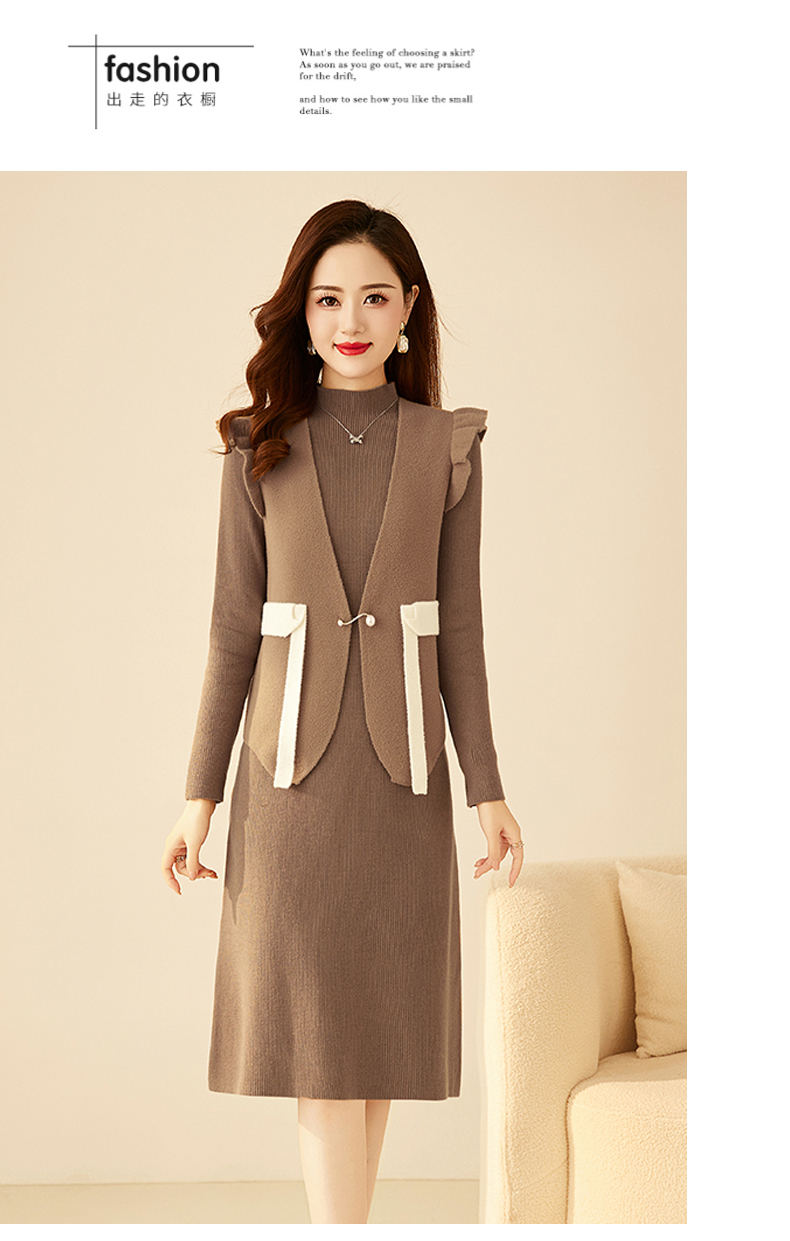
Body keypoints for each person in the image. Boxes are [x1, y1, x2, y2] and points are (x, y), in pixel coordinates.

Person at [160, 200, 524, 1225]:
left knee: (373, 1048)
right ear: (303, 314)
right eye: (327, 299)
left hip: (403, 781)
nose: (349, 319)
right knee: (319, 1049)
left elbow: (460, 627)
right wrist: (197, 799)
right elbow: (231, 629)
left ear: (408, 308)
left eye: (372, 296)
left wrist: (487, 790)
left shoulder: (447, 444)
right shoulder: (259, 443)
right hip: (290, 787)